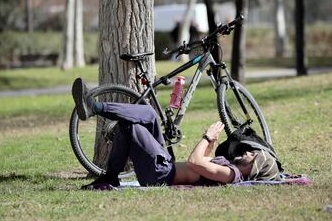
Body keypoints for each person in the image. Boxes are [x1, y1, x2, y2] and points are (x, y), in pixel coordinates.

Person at [72, 78, 281, 189]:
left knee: (132, 126)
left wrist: (207, 137)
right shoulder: (231, 168)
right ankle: (95, 107)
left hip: (160, 175)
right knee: (148, 113)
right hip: (165, 164)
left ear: (253, 169)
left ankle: (110, 177)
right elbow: (204, 163)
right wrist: (212, 143)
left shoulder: (231, 175)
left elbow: (194, 163)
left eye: (252, 157)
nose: (247, 153)